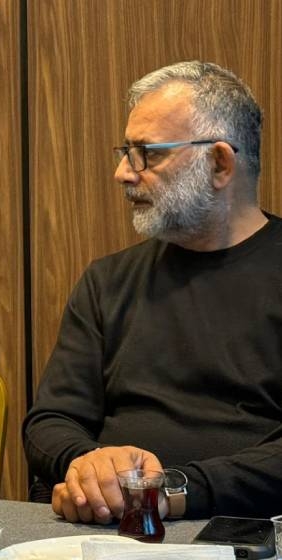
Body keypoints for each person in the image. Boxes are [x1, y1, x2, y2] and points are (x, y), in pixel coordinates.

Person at [23, 61, 282, 522]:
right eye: (126, 152)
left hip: (245, 530)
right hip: (106, 524)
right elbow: (51, 421)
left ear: (220, 163)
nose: (123, 173)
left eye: (147, 154)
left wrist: (169, 492)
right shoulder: (108, 280)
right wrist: (90, 468)